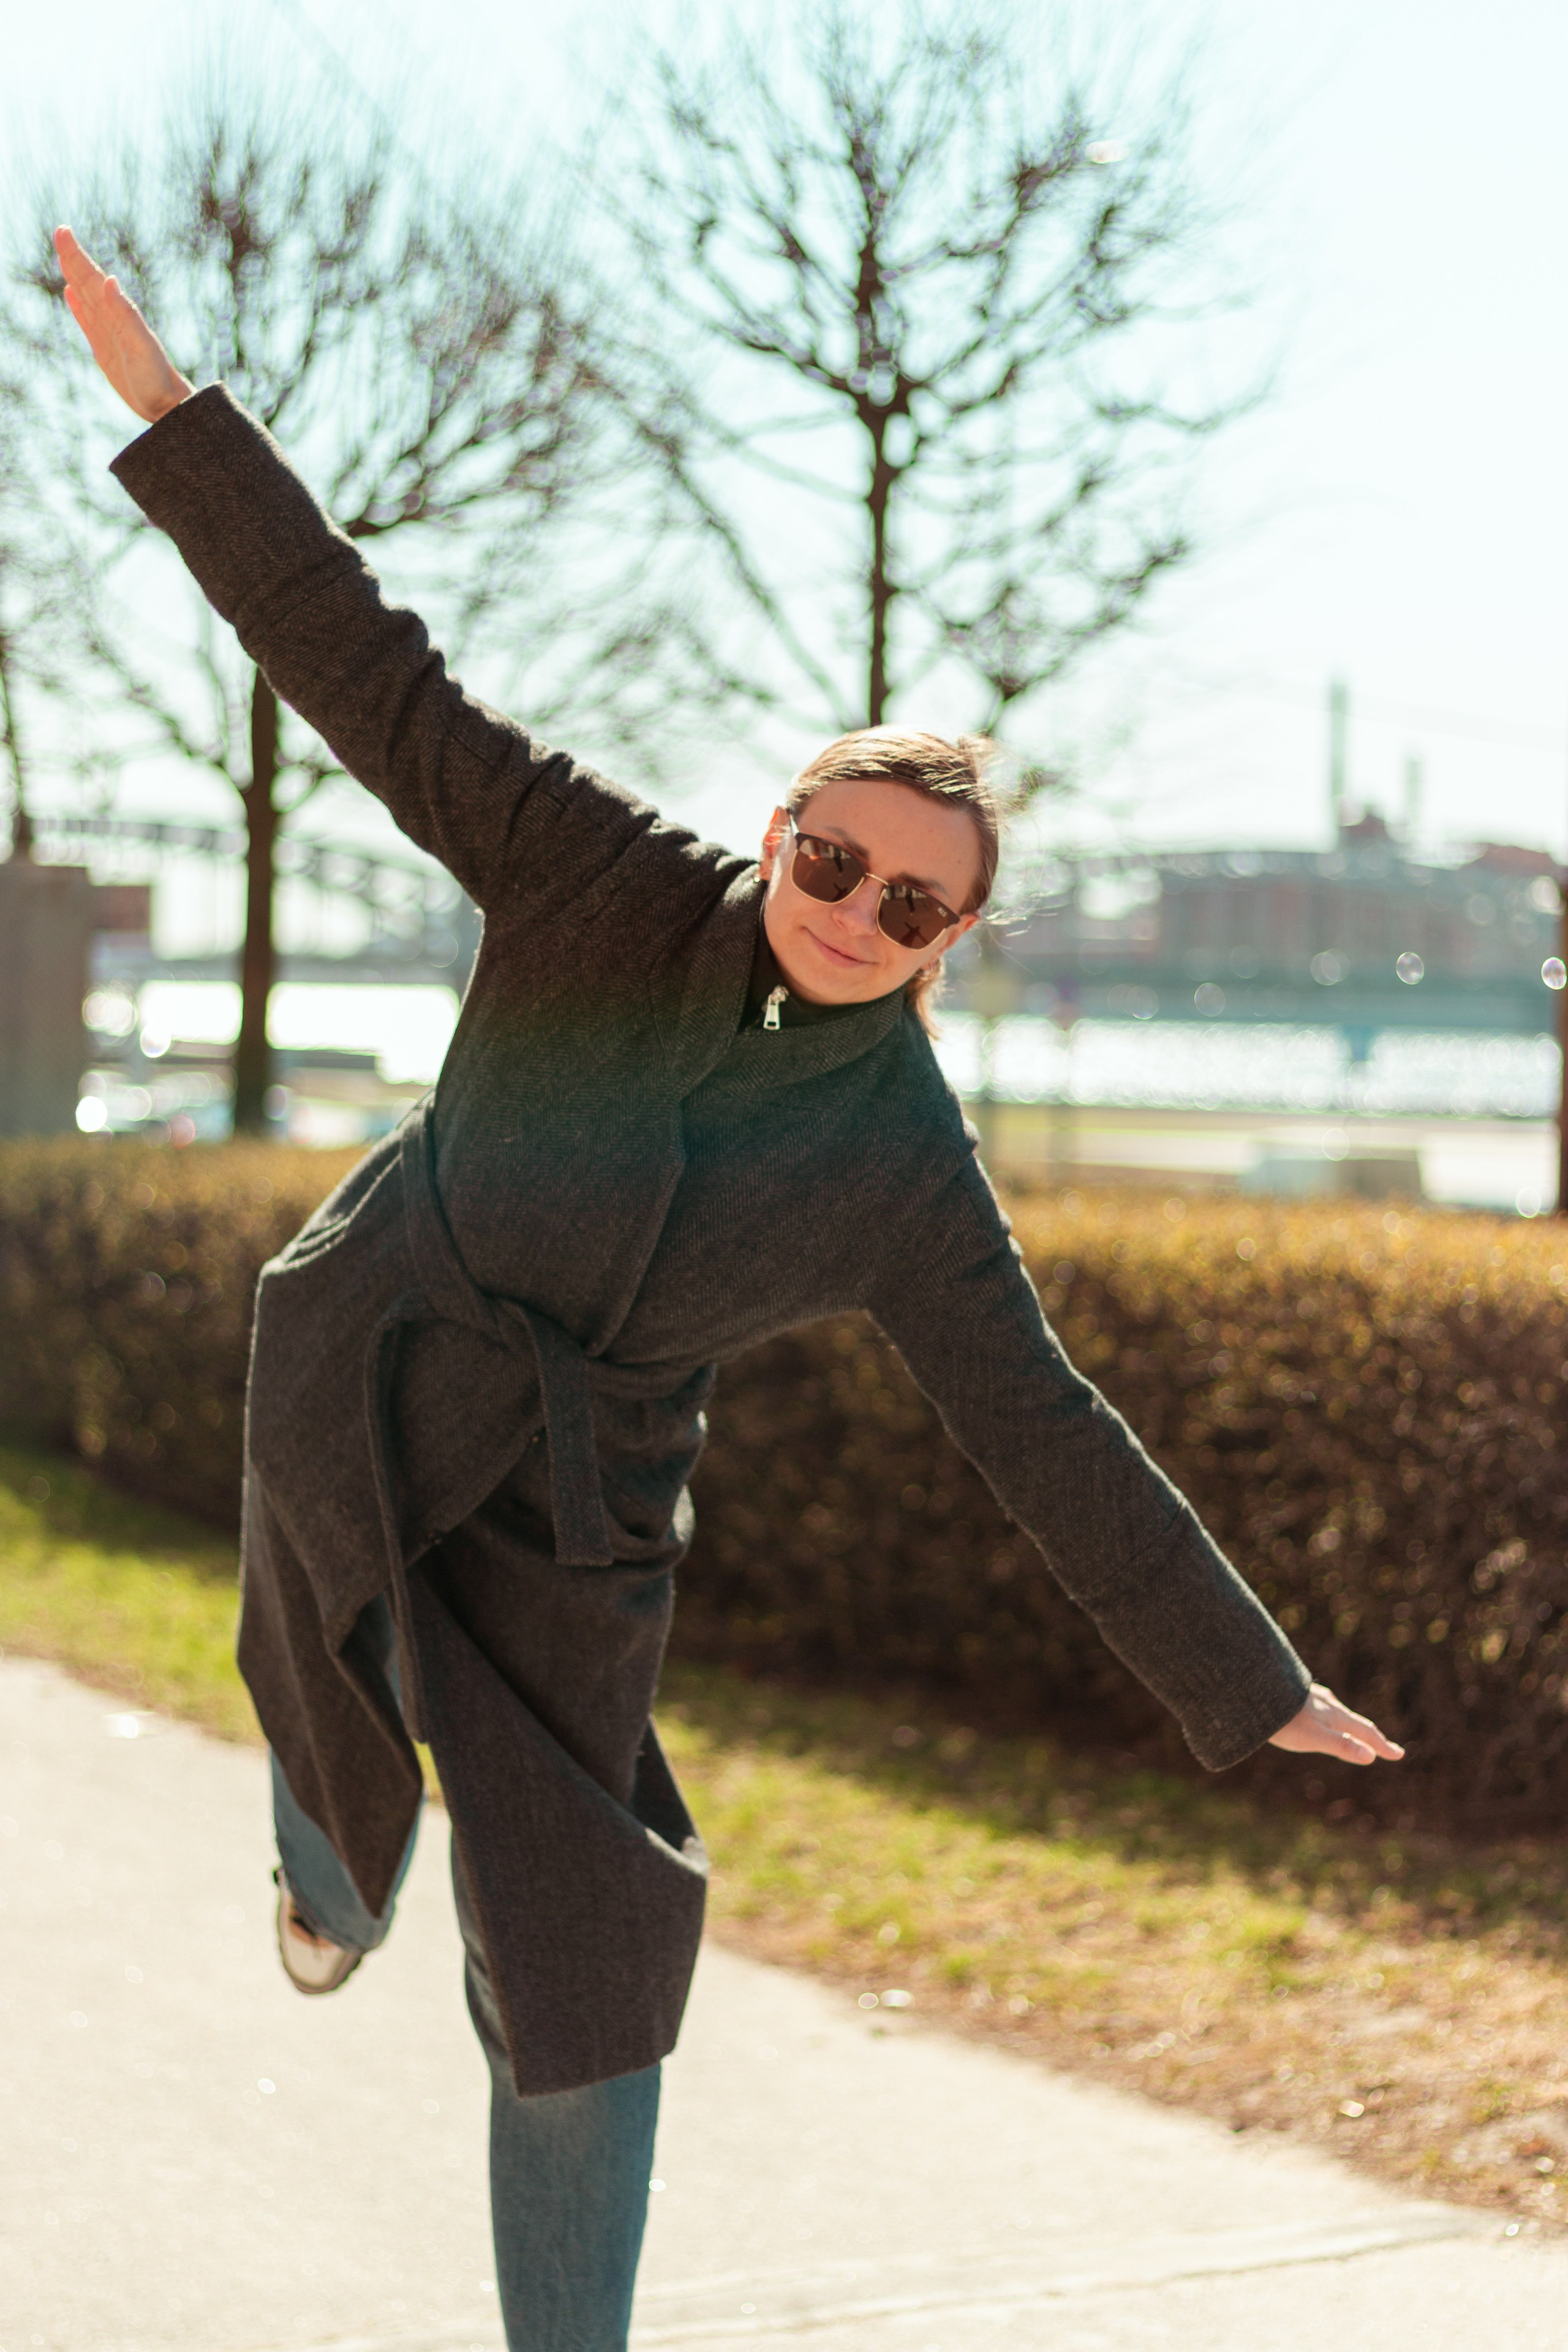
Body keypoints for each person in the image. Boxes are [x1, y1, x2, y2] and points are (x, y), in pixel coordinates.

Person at [55, 224, 1403, 2352]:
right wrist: (176, 417)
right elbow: (362, 663)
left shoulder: (900, 1159)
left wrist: (1244, 1676)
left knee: (587, 1977)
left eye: (919, 905)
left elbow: (1038, 1417)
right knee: (321, 1683)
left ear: (958, 939)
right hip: (383, 1338)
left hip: (587, 1508)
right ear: (779, 829)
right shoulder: (581, 863)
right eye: (836, 860)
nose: (861, 910)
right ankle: (334, 1864)